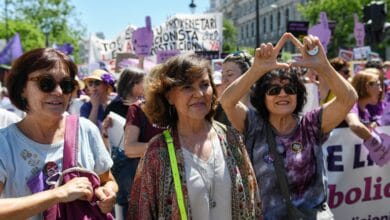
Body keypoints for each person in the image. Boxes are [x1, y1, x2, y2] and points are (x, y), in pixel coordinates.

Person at [220, 33, 357, 219]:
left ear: (298, 96)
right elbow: (227, 101)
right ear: (262, 97)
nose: (282, 94)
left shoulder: (311, 124)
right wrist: (256, 70)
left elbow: (348, 98)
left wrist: (322, 66)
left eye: (290, 89)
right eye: (274, 90)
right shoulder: (253, 124)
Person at [128, 53, 261, 219]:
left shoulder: (231, 139)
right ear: (169, 96)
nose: (199, 93)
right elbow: (142, 213)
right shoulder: (157, 152)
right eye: (187, 87)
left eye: (204, 84)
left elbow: (253, 202)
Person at [0, 48, 118, 219]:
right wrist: (58, 194)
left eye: (66, 84)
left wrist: (107, 193)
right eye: (45, 83)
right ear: (22, 89)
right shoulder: (5, 144)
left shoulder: (86, 130)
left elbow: (108, 181)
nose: (58, 92)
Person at [100, 67, 148, 219]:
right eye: (144, 82)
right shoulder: (114, 107)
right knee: (127, 204)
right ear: (133, 84)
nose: (147, 85)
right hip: (125, 164)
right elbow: (107, 142)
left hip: (146, 162)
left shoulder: (148, 106)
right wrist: (105, 131)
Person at [214, 51, 253, 126]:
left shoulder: (264, 107)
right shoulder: (218, 109)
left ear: (247, 75)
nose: (224, 80)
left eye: (229, 74)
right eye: (222, 74)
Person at [345, 69, 383, 140]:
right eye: (377, 85)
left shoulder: (366, 111)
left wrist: (374, 124)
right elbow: (355, 125)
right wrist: (375, 143)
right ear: (366, 87)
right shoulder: (351, 105)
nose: (380, 90)